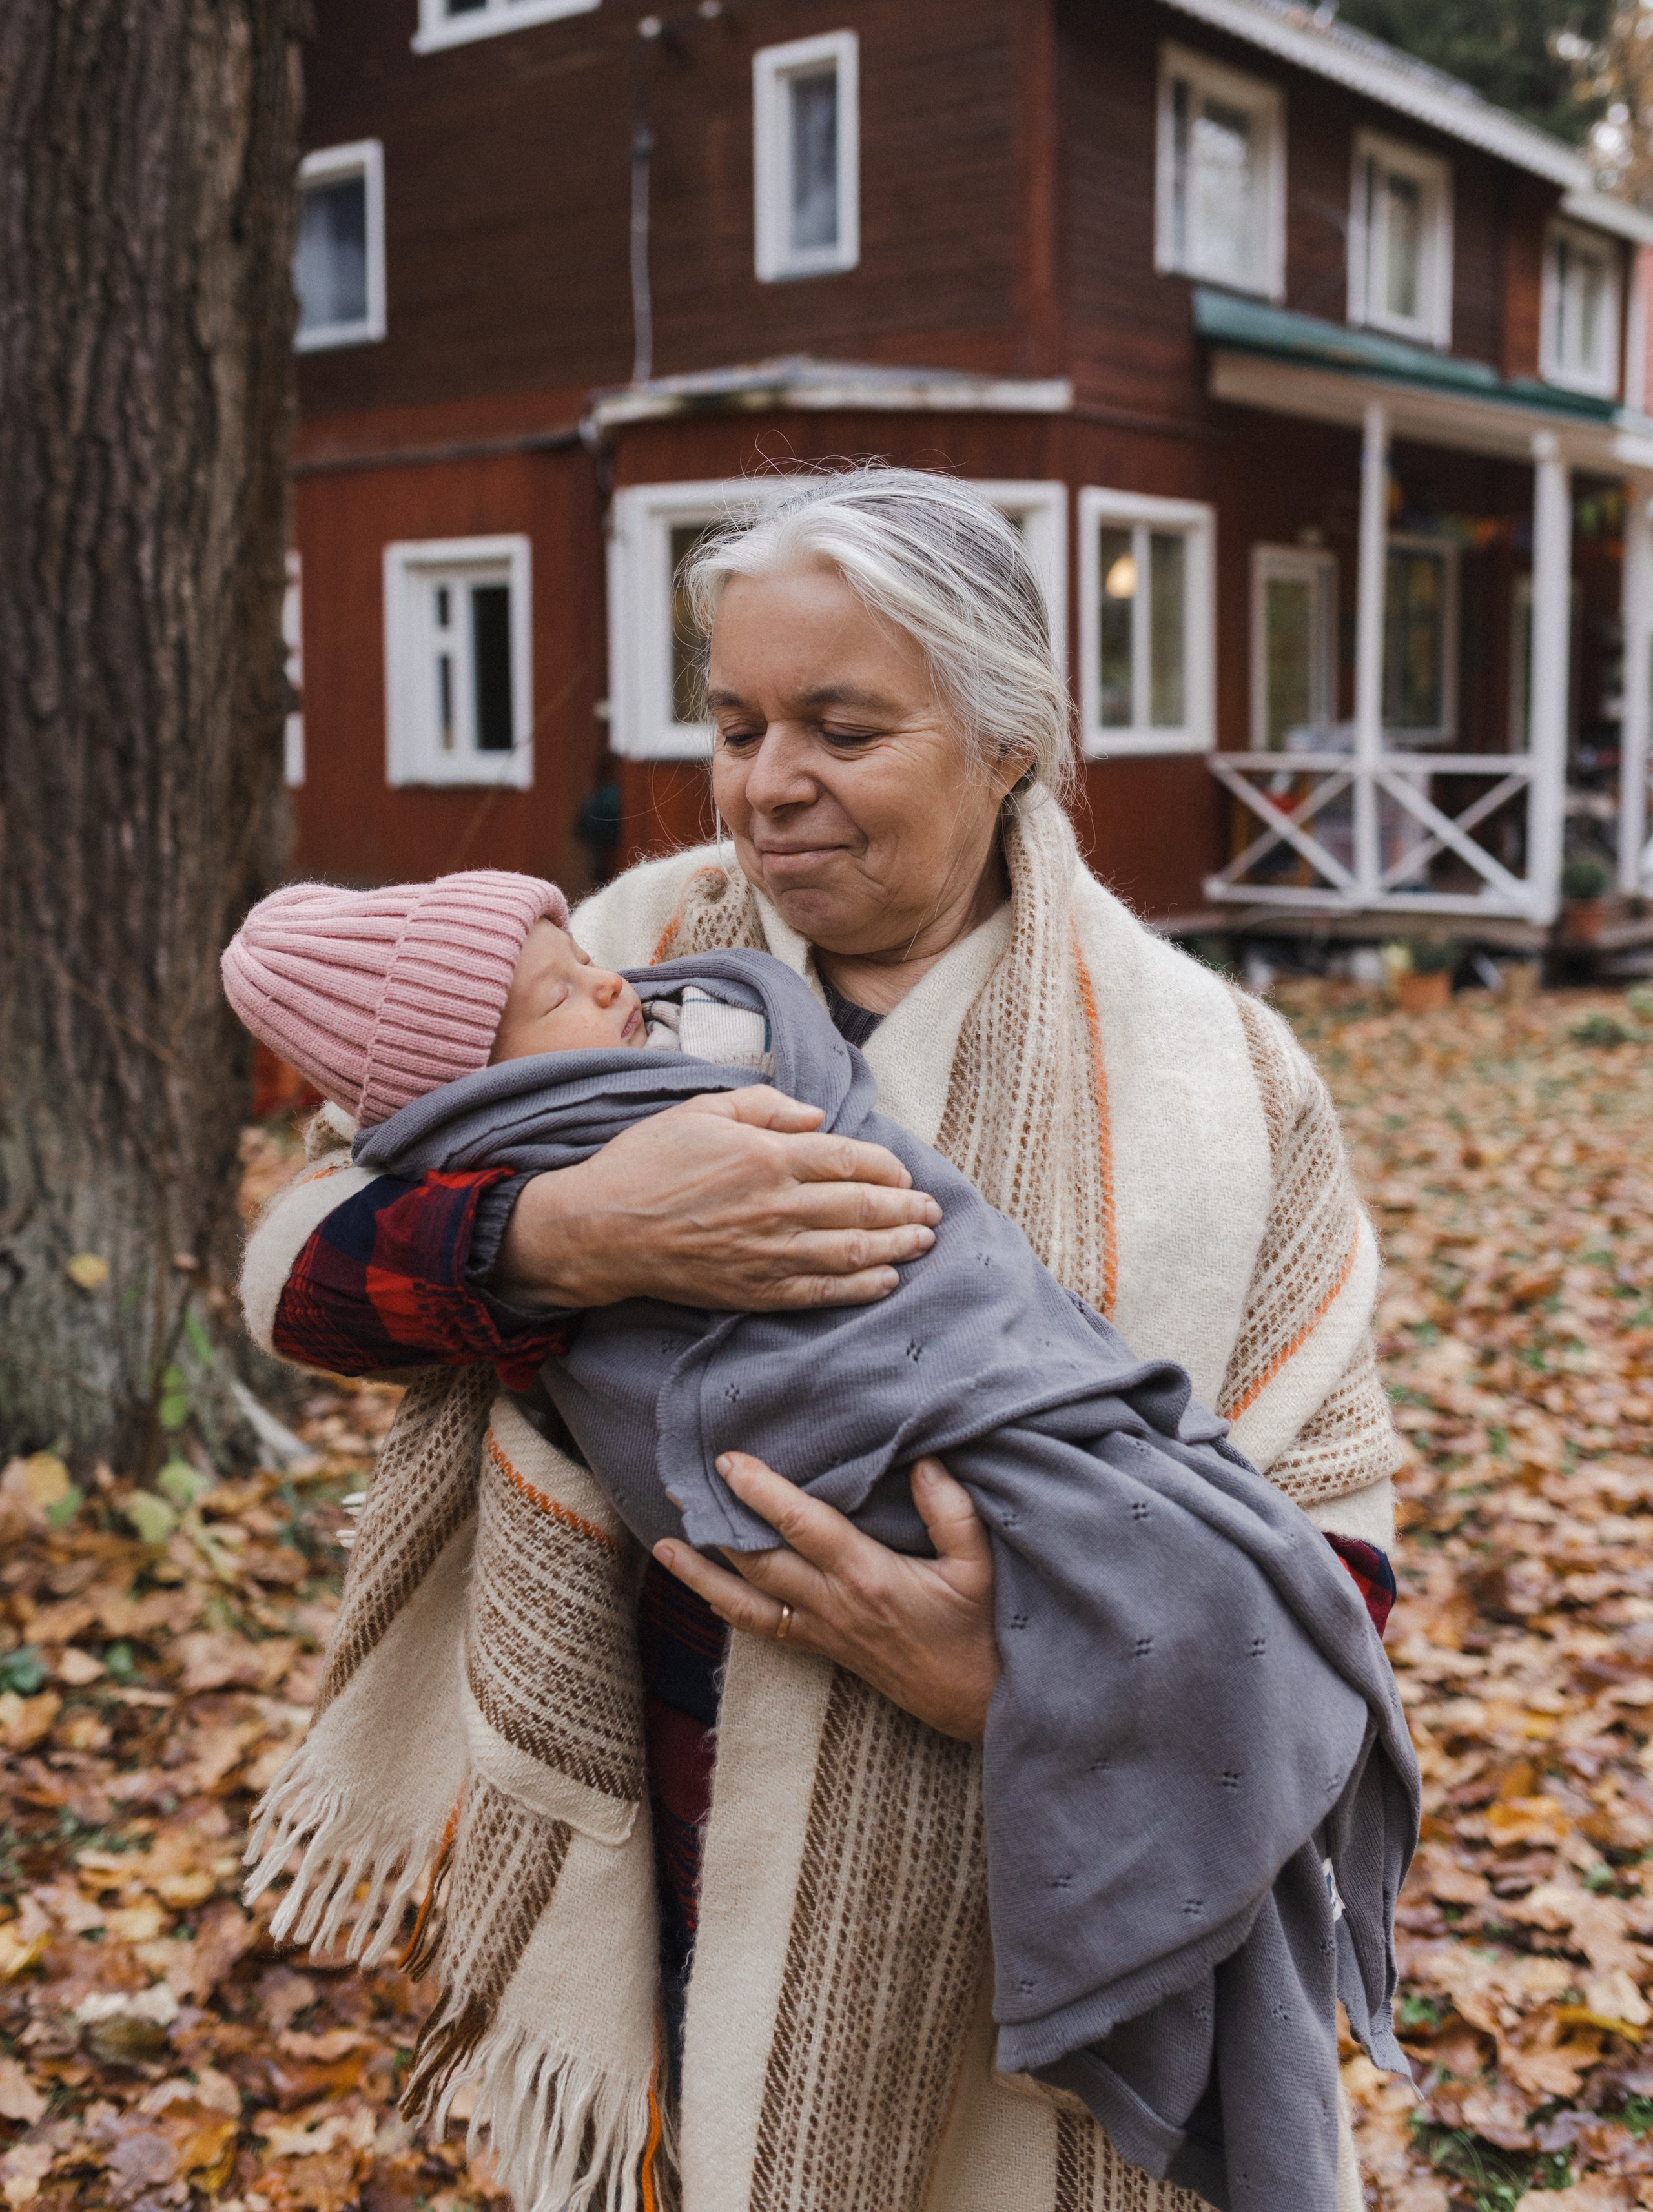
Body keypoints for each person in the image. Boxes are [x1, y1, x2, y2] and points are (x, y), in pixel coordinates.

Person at [240, 466, 1402, 2212]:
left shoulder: (1221, 1078)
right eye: (735, 721)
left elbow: (1330, 1546)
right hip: (679, 1828)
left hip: (1061, 1845)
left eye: (841, 730)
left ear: (1007, 737)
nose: (767, 784)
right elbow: (302, 1282)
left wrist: (1021, 1686)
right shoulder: (618, 960)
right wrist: (573, 1231)